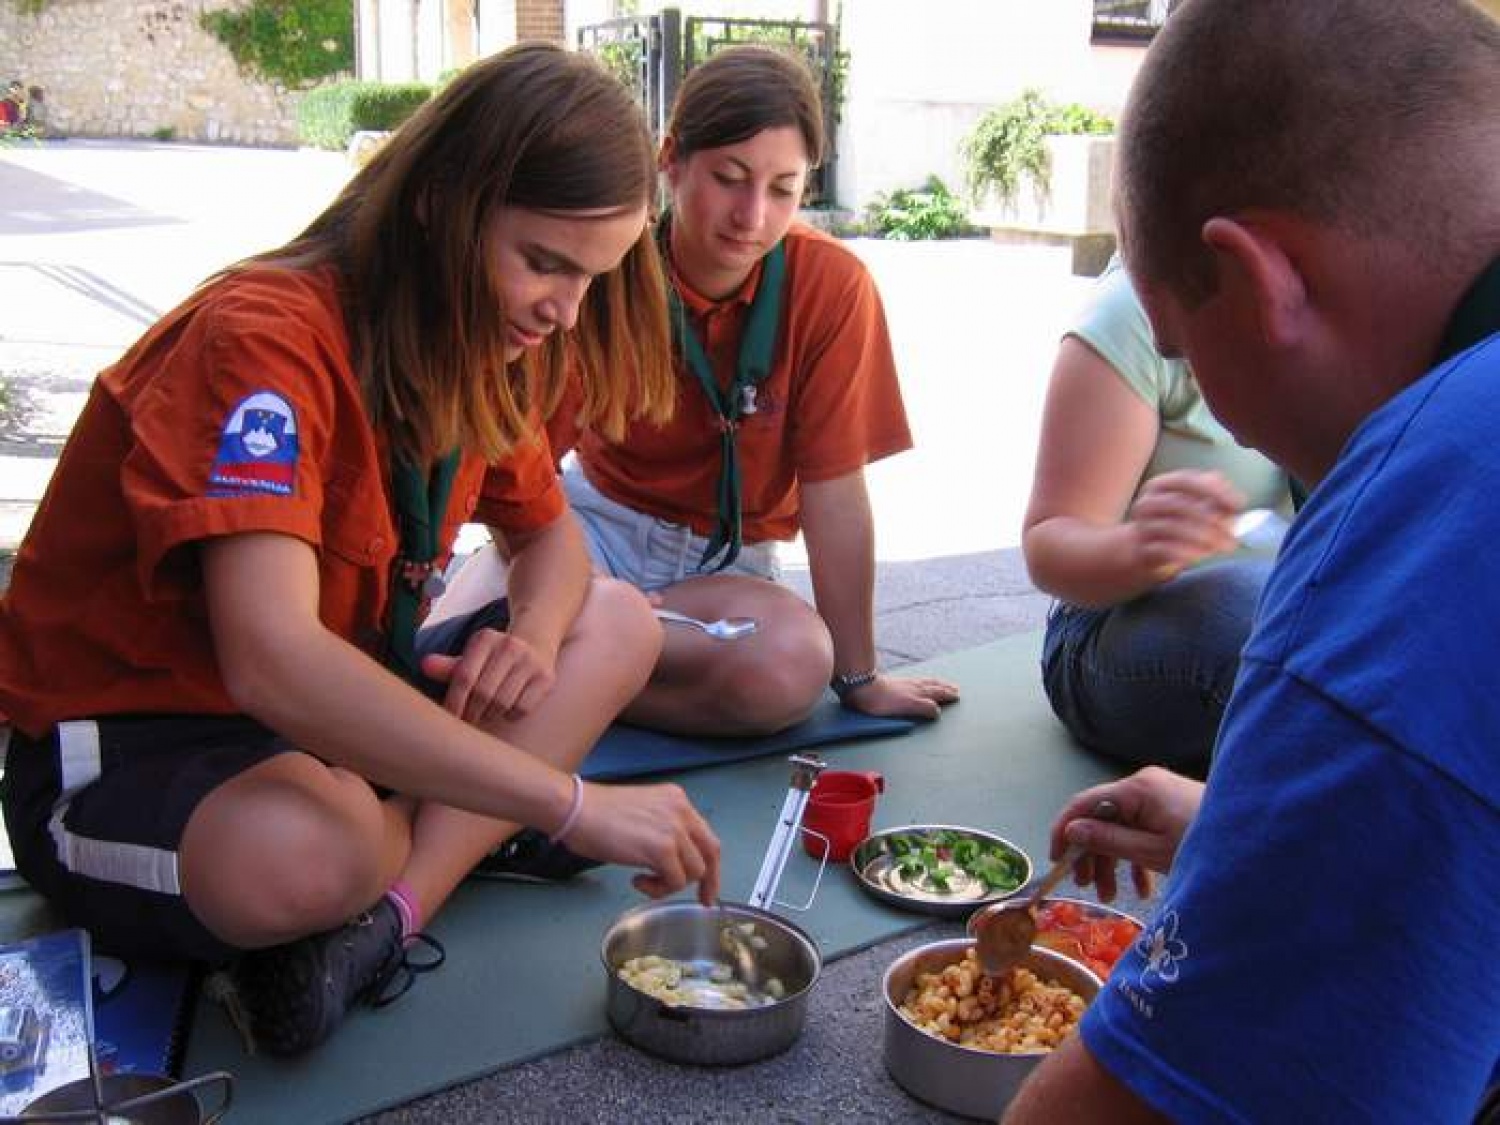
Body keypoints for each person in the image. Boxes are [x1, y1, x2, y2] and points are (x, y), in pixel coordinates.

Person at [0, 43, 721, 1059]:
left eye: (592, 278)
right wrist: (567, 801)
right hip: (126, 761)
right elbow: (273, 659)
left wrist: (533, 637)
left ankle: (386, 919)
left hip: (322, 739)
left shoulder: (473, 335)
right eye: (545, 262)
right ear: (440, 205)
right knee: (311, 851)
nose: (566, 312)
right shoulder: (262, 340)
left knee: (614, 620)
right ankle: (444, 835)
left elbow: (552, 538)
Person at [1001, 1, 1500, 1121]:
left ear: (1261, 282)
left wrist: (1314, 832)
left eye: (1182, 346)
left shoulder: (1446, 524)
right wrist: (1258, 828)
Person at [450, 45, 958, 738]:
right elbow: (523, 470)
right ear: (671, 160)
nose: (752, 215)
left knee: (794, 667)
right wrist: (556, 591)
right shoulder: (606, 267)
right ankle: (586, 664)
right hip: (593, 529)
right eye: (729, 178)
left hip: (727, 565)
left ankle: (584, 676)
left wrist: (860, 677)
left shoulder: (833, 287)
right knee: (488, 625)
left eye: (783, 189)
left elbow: (835, 494)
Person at [1023, 259, 1293, 773]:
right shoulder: (1134, 311)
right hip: (1119, 626)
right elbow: (1048, 543)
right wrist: (1137, 550)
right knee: (1262, 618)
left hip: (1300, 598)